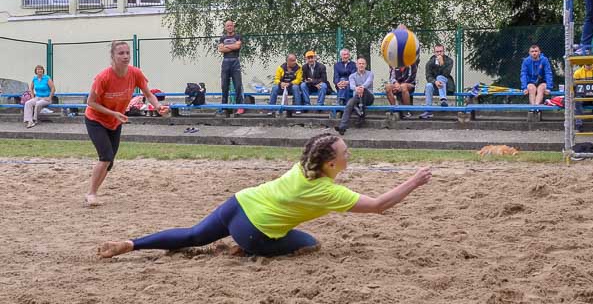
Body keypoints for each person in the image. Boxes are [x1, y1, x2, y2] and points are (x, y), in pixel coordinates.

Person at [97, 133, 432, 259]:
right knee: (311, 243)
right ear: (331, 163)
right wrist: (414, 181)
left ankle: (133, 244)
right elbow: (377, 206)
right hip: (254, 231)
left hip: (238, 203)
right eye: (346, 152)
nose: (349, 154)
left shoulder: (302, 165)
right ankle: (243, 250)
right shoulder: (328, 191)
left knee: (194, 235)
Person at [85, 41, 169, 206]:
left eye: (127, 53)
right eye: (120, 53)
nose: (125, 56)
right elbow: (91, 102)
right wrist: (113, 112)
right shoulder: (103, 77)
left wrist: (158, 106)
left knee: (109, 162)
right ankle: (91, 193)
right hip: (96, 119)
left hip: (116, 121)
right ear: (113, 56)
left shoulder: (135, 73)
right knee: (106, 157)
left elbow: (148, 94)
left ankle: (93, 191)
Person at [335, 57, 374, 134]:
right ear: (356, 65)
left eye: (363, 63)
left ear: (365, 65)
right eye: (359, 63)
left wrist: (361, 88)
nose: (361, 65)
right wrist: (357, 89)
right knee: (349, 104)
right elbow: (352, 86)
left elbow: (368, 83)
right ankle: (342, 127)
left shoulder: (370, 74)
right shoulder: (352, 76)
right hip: (357, 97)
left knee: (364, 90)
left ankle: (361, 113)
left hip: (368, 98)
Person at [419, 45, 455, 119]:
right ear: (434, 52)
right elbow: (428, 76)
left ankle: (443, 100)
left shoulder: (449, 61)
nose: (439, 53)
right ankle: (428, 111)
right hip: (435, 85)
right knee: (428, 85)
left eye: (441, 51)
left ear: (443, 52)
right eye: (437, 52)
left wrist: (442, 63)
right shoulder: (430, 62)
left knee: (440, 77)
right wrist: (435, 82)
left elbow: (446, 74)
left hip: (446, 85)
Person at [218, 20, 244, 116]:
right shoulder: (222, 38)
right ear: (225, 27)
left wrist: (226, 46)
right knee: (224, 86)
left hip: (235, 61)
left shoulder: (238, 36)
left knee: (237, 85)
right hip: (226, 62)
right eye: (227, 26)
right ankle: (224, 107)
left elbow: (238, 46)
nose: (229, 27)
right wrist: (232, 46)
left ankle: (240, 107)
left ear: (233, 26)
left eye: (231, 25)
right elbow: (221, 49)